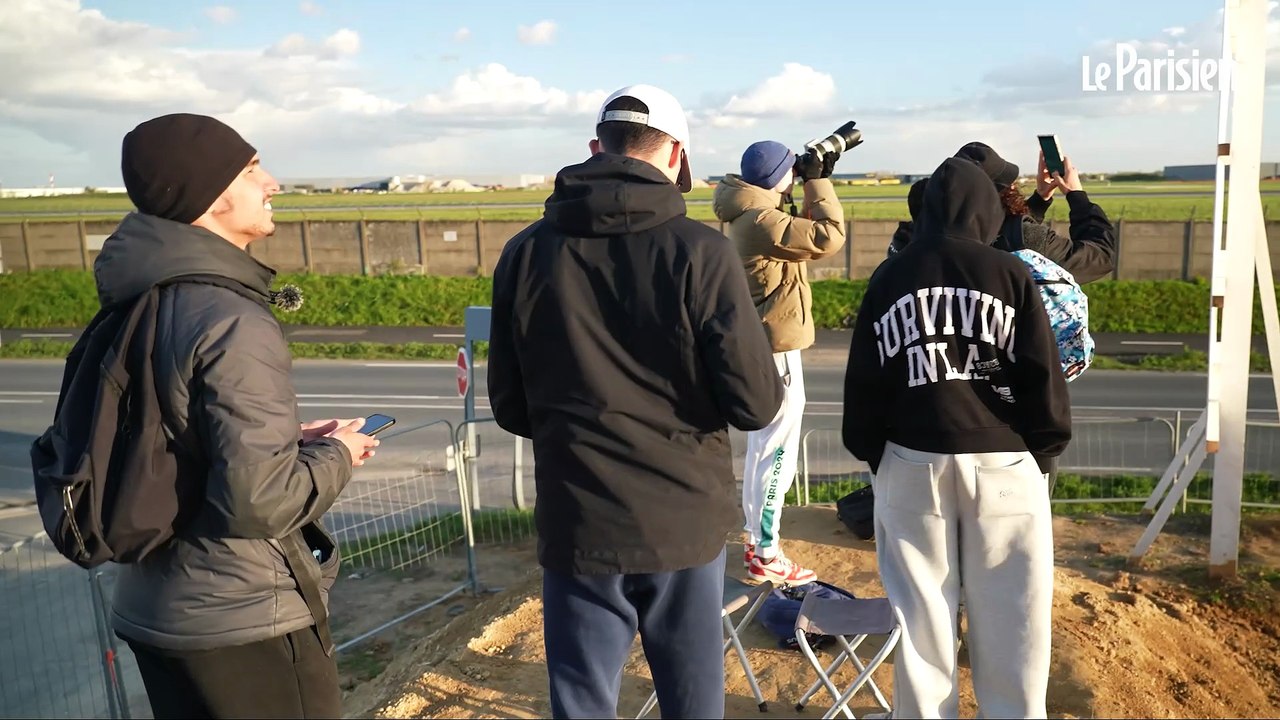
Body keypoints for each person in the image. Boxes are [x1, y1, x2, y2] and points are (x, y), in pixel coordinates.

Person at [488, 85, 783, 719]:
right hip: (681, 520)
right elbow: (756, 405)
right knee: (691, 696)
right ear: (677, 155)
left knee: (583, 699)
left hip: (578, 517)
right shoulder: (701, 251)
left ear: (596, 149)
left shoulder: (525, 252)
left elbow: (511, 407)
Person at [99, 113, 379, 719]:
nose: (273, 182)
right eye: (253, 169)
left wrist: (286, 439)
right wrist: (338, 454)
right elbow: (261, 502)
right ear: (209, 196)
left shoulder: (138, 298)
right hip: (243, 618)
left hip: (153, 609)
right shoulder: (230, 318)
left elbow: (164, 434)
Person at [842, 156, 1072, 718]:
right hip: (1005, 464)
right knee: (1015, 619)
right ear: (986, 210)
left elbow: (863, 388)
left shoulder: (889, 277)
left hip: (911, 459)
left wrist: (881, 457)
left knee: (921, 625)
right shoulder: (1010, 273)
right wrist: (1042, 453)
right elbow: (1043, 377)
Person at [712, 140, 846, 585]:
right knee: (776, 450)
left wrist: (810, 178)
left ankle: (757, 541)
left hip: (767, 344)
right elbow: (829, 237)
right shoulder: (762, 221)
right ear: (778, 179)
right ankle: (765, 551)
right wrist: (818, 180)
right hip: (776, 351)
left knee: (764, 448)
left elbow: (801, 230)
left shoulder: (749, 212)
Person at [890, 142, 1117, 285]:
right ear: (995, 194)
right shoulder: (1025, 240)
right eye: (1007, 184)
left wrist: (1040, 200)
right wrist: (1076, 196)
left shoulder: (912, 238)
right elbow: (1099, 258)